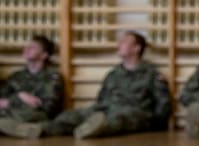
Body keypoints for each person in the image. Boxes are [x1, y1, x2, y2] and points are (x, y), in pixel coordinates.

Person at [44, 31, 172, 139]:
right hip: (108, 108)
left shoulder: (151, 74)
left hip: (135, 113)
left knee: (118, 119)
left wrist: (155, 127)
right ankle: (39, 129)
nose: (119, 44)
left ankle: (92, 128)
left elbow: (163, 105)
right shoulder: (113, 74)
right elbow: (102, 98)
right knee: (72, 116)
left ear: (136, 48)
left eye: (124, 42)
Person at [0, 35, 65, 139]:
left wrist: (11, 103)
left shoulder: (52, 77)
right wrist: (20, 96)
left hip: (37, 115)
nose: (26, 49)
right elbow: (2, 99)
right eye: (26, 46)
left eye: (33, 47)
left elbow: (47, 108)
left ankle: (24, 129)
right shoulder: (16, 76)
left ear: (44, 55)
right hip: (14, 112)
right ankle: (23, 129)